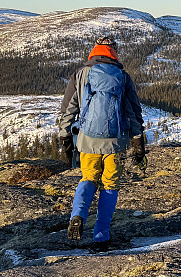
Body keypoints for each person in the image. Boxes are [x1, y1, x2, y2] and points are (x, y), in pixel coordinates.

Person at [57, 36, 146, 247]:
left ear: (94, 51)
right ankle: (101, 236)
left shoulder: (80, 74)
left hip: (88, 140)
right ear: (114, 53)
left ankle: (77, 216)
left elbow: (68, 110)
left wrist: (65, 138)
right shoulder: (122, 76)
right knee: (110, 185)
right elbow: (133, 112)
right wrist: (138, 142)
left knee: (88, 178)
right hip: (115, 142)